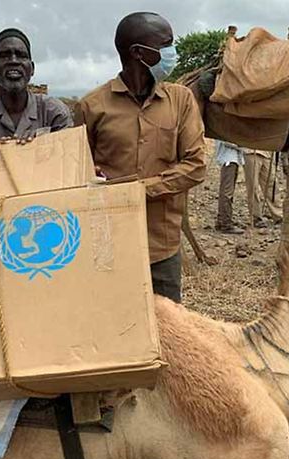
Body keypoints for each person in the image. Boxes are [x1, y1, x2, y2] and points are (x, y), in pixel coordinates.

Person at [75, 12, 206, 303]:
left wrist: (137, 191)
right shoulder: (91, 107)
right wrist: (90, 174)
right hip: (108, 244)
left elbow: (196, 165)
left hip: (162, 244)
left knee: (170, 330)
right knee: (113, 323)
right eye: (166, 45)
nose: (173, 53)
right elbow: (75, 173)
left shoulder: (181, 100)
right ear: (139, 53)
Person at [0, 28, 73, 145]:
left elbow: (70, 157)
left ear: (32, 68)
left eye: (21, 55)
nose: (13, 61)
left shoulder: (54, 112)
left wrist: (41, 143)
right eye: (4, 56)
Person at [214, 138, 244, 234]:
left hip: (232, 160)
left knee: (227, 191)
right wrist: (241, 144)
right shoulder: (224, 127)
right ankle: (226, 224)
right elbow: (227, 141)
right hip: (229, 160)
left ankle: (222, 220)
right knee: (227, 192)